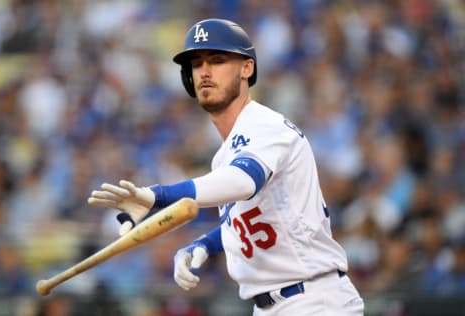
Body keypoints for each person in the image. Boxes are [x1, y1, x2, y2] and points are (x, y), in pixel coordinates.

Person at [88, 18, 364, 315]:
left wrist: (158, 196)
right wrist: (203, 245)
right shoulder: (224, 156)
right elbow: (247, 220)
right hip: (274, 305)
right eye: (196, 64)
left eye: (217, 60)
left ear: (247, 68)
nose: (204, 71)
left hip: (314, 300)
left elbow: (243, 182)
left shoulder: (265, 125)